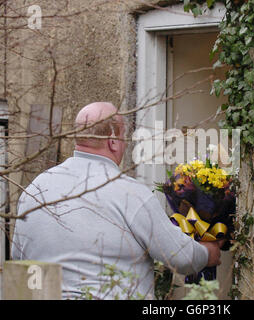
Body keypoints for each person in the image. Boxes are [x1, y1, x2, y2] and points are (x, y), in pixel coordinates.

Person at [11, 102, 223, 299]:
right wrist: (208, 253)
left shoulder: (34, 190)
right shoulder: (130, 193)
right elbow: (181, 257)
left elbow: (21, 272)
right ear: (113, 141)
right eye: (124, 136)